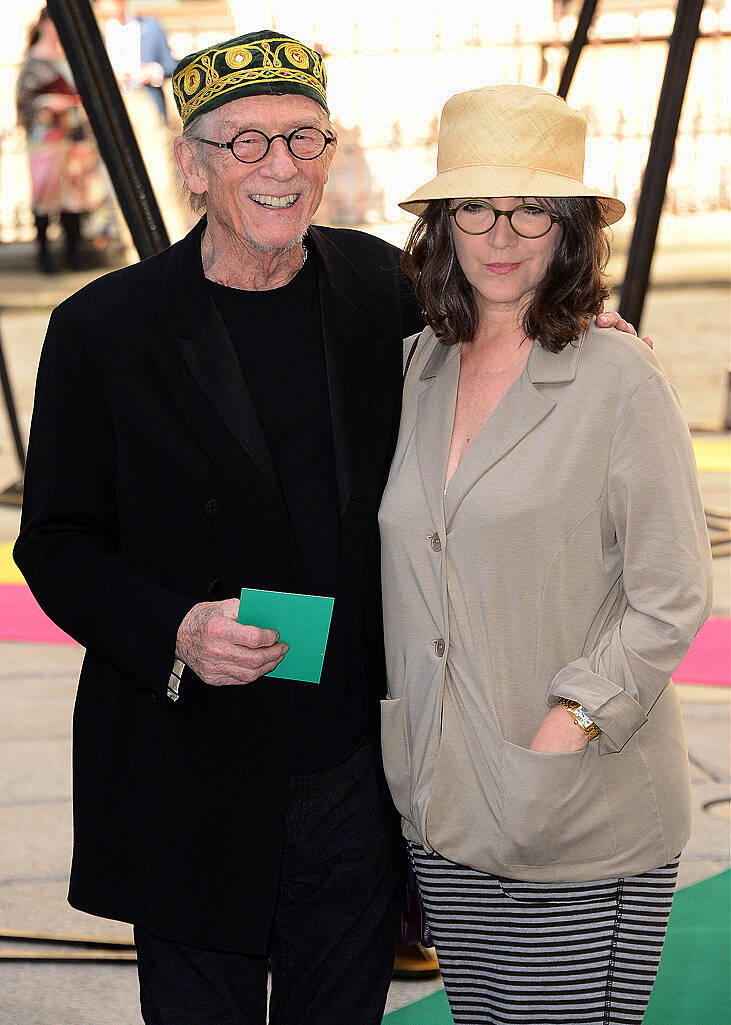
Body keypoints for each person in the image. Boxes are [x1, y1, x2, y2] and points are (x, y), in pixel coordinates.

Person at [14, 33, 640, 1022]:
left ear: (328, 153)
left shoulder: (377, 286)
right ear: (192, 165)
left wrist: (584, 330)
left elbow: (498, 328)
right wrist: (175, 626)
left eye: (303, 139)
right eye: (247, 142)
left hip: (353, 766)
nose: (280, 168)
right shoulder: (105, 329)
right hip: (190, 763)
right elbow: (54, 542)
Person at [378, 84, 713, 1025]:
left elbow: (670, 592)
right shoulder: (411, 369)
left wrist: (568, 722)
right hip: (440, 802)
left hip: (575, 800)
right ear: (441, 226)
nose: (501, 232)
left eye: (532, 208)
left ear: (568, 230)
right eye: (475, 206)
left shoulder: (616, 376)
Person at [16, 7, 106, 271]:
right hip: (47, 139)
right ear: (44, 24)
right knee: (46, 195)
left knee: (73, 197)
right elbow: (24, 105)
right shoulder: (33, 62)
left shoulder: (71, 58)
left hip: (75, 136)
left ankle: (73, 255)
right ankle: (44, 257)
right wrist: (48, 102)